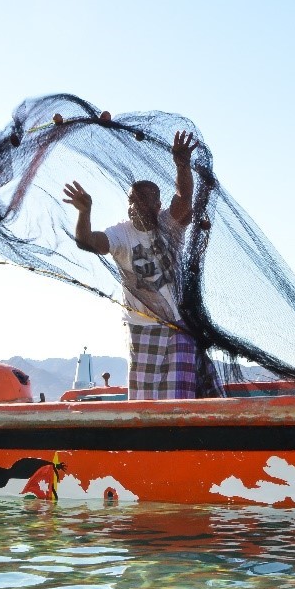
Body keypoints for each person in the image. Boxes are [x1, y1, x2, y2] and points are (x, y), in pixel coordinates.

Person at [62, 131, 201, 400]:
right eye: (131, 200)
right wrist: (84, 213)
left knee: (179, 398)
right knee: (144, 400)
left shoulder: (169, 225)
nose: (134, 205)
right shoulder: (121, 235)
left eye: (142, 200)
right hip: (141, 325)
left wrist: (182, 165)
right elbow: (88, 242)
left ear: (157, 205)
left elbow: (184, 198)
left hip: (177, 325)